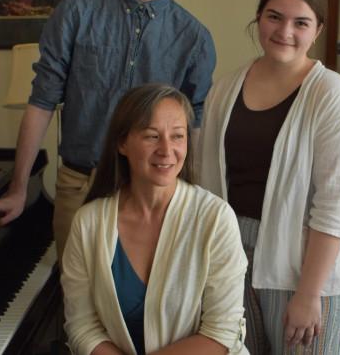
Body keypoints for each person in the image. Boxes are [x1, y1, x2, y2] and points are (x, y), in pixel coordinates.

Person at [0, 0, 216, 261]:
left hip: (155, 196)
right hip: (79, 187)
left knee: (142, 311)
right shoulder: (75, 14)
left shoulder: (195, 38)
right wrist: (19, 189)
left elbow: (193, 128)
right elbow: (41, 103)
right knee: (75, 308)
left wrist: (193, 199)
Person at [197, 0, 340, 354]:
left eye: (300, 22)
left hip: (303, 268)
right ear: (258, 18)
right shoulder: (225, 89)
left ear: (318, 29)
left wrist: (309, 295)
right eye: (274, 17)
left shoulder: (331, 97)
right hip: (232, 261)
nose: (284, 30)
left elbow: (336, 207)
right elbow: (205, 183)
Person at [61, 83, 248, 355]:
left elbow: (222, 332)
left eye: (177, 136)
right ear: (122, 142)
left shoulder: (216, 218)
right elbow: (82, 326)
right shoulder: (88, 222)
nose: (166, 149)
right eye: (151, 136)